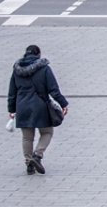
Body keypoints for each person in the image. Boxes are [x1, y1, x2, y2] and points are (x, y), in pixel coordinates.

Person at [6, 45, 68, 175]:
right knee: (47, 132)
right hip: (40, 106)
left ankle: (29, 164)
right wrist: (63, 104)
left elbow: (12, 91)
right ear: (38, 54)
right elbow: (53, 90)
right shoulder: (44, 69)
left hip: (22, 107)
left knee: (27, 138)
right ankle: (38, 155)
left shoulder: (17, 70)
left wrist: (11, 109)